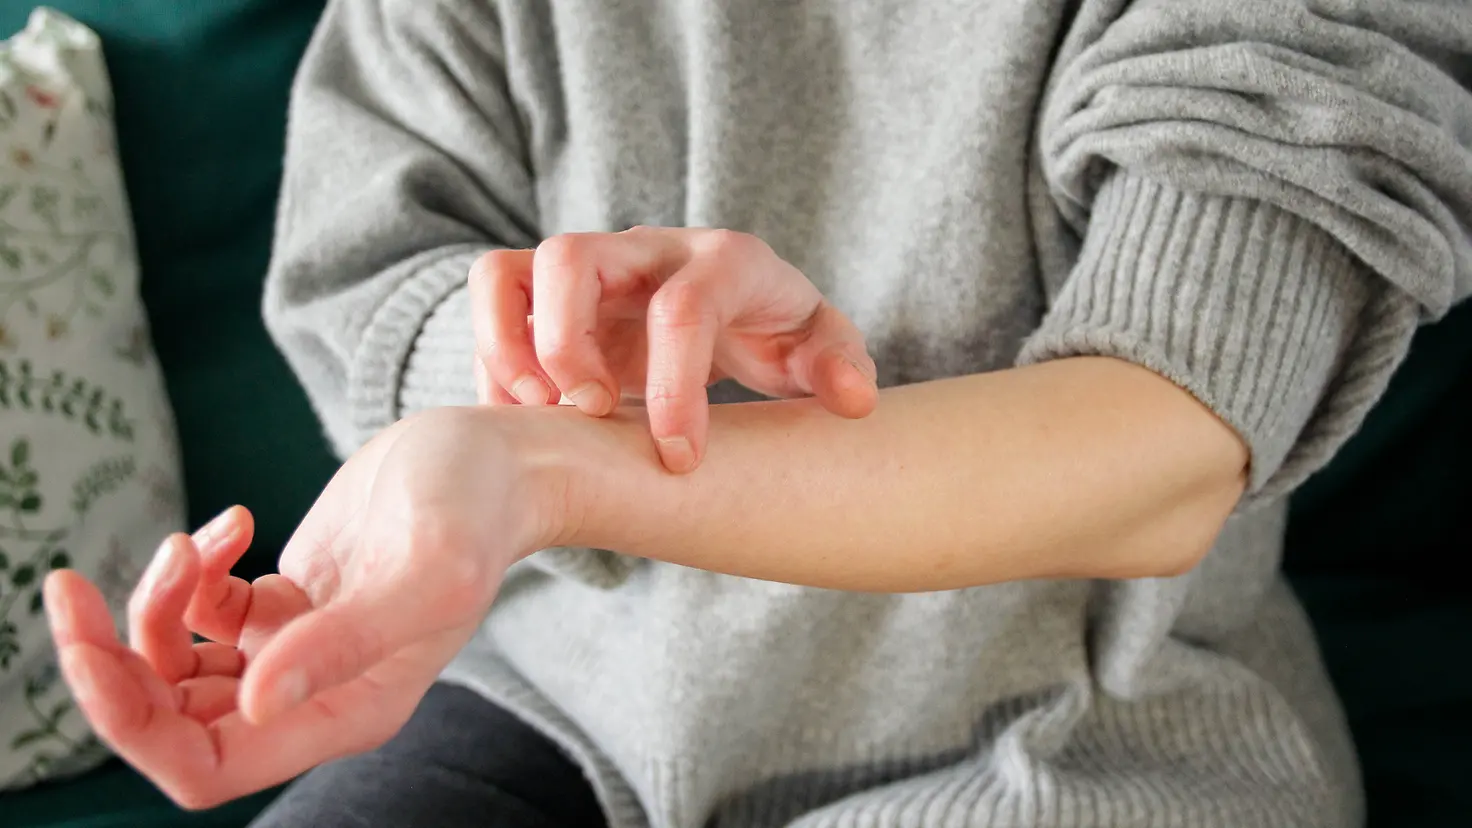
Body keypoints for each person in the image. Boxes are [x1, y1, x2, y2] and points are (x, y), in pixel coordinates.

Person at [42, 0, 1472, 826]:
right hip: (559, 713)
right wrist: (542, 380)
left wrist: (550, 465)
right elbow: (375, 287)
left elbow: (1161, 442)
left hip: (1078, 750)